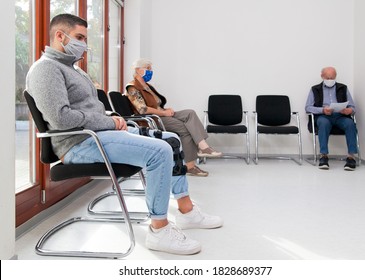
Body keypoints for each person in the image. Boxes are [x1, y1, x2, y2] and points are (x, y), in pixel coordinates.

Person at [26, 13, 223, 255]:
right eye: (79, 37)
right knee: (160, 152)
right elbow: (61, 118)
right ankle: (159, 231)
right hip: (80, 142)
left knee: (171, 140)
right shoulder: (46, 70)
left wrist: (112, 121)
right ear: (59, 35)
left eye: (85, 38)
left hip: (97, 135)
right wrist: (107, 121)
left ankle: (186, 210)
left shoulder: (73, 69)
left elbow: (90, 110)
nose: (83, 44)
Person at [125, 58, 222, 177]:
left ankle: (203, 147)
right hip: (152, 119)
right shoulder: (132, 87)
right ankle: (190, 167)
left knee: (190, 113)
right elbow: (142, 109)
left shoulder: (147, 86)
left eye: (151, 68)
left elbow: (156, 104)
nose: (151, 71)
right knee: (185, 128)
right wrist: (164, 113)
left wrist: (166, 110)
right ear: (138, 70)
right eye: (148, 68)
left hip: (160, 113)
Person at [305, 66, 358, 171]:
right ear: (322, 76)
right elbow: (308, 107)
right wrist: (322, 110)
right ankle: (323, 156)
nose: (330, 80)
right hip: (323, 116)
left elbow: (352, 107)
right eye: (328, 78)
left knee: (350, 124)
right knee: (323, 123)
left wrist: (349, 110)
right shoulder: (315, 89)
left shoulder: (343, 88)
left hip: (340, 116)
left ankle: (351, 157)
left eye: (332, 78)